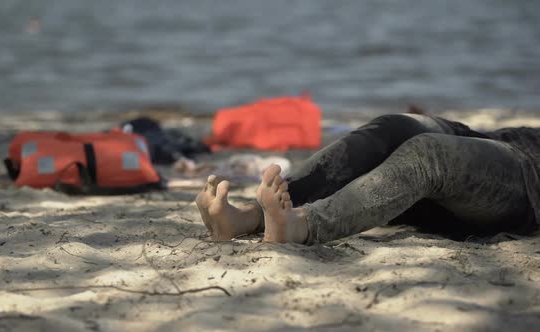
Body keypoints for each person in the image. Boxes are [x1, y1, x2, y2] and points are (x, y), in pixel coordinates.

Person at [195, 114, 540, 244]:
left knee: (428, 153)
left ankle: (300, 225)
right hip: (499, 138)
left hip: (528, 177)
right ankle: (247, 218)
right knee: (392, 127)